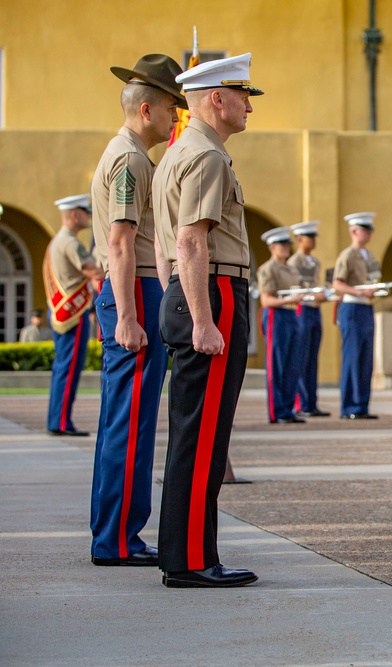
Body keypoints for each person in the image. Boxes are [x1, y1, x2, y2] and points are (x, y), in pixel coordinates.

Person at [152, 52, 262, 588]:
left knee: (193, 435)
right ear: (216, 98)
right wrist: (203, 319)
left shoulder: (178, 152)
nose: (249, 105)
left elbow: (163, 242)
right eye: (243, 94)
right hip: (212, 291)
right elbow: (190, 240)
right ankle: (192, 559)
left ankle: (183, 552)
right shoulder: (207, 157)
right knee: (204, 438)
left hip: (192, 287)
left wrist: (177, 296)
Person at [89, 54, 185, 567]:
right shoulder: (128, 159)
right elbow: (121, 243)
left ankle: (114, 533)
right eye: (172, 107)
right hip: (134, 292)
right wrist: (127, 315)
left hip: (135, 291)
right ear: (146, 109)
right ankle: (118, 539)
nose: (176, 118)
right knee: (131, 422)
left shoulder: (128, 154)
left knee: (122, 419)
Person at [44, 194, 105, 436]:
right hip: (72, 314)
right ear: (74, 214)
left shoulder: (59, 240)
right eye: (85, 213)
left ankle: (59, 420)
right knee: (68, 369)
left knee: (63, 368)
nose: (88, 217)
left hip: (63, 312)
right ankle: (60, 422)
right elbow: (94, 270)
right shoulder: (70, 242)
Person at [332, 212, 382, 420]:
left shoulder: (368, 256)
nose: (368, 234)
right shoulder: (348, 255)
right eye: (364, 230)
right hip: (352, 308)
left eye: (369, 230)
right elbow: (338, 283)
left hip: (365, 308)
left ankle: (362, 405)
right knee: (352, 358)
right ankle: (349, 406)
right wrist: (360, 292)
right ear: (354, 231)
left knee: (365, 359)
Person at [258, 227, 306, 424]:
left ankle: (287, 408)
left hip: (291, 314)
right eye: (282, 245)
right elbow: (266, 300)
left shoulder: (291, 270)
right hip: (276, 315)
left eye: (288, 245)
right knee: (277, 364)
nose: (287, 248)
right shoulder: (267, 269)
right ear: (272, 247)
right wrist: (291, 299)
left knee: (292, 364)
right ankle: (276, 411)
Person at [288, 220, 331, 417]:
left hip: (314, 310)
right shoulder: (294, 263)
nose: (313, 241)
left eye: (314, 237)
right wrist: (315, 296)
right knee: (301, 358)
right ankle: (301, 403)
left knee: (312, 359)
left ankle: (311, 402)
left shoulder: (315, 262)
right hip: (302, 310)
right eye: (309, 237)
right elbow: (296, 290)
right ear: (299, 239)